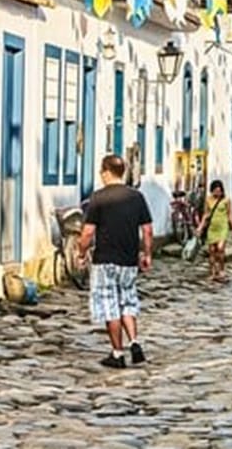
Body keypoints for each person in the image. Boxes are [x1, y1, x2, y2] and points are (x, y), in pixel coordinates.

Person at [78, 155, 153, 369]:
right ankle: (135, 342)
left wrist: (81, 253)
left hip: (106, 260)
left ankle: (118, 353)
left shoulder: (99, 198)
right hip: (129, 260)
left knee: (110, 307)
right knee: (128, 302)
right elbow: (147, 230)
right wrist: (146, 254)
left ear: (106, 172)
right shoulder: (136, 197)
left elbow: (88, 232)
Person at [195, 180, 232, 283]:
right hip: (212, 228)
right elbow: (206, 214)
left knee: (220, 248)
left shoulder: (226, 200)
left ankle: (221, 269)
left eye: (219, 191)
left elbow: (230, 214)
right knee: (212, 251)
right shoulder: (208, 200)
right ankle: (212, 272)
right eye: (215, 191)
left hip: (223, 227)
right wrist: (200, 227)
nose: (217, 193)